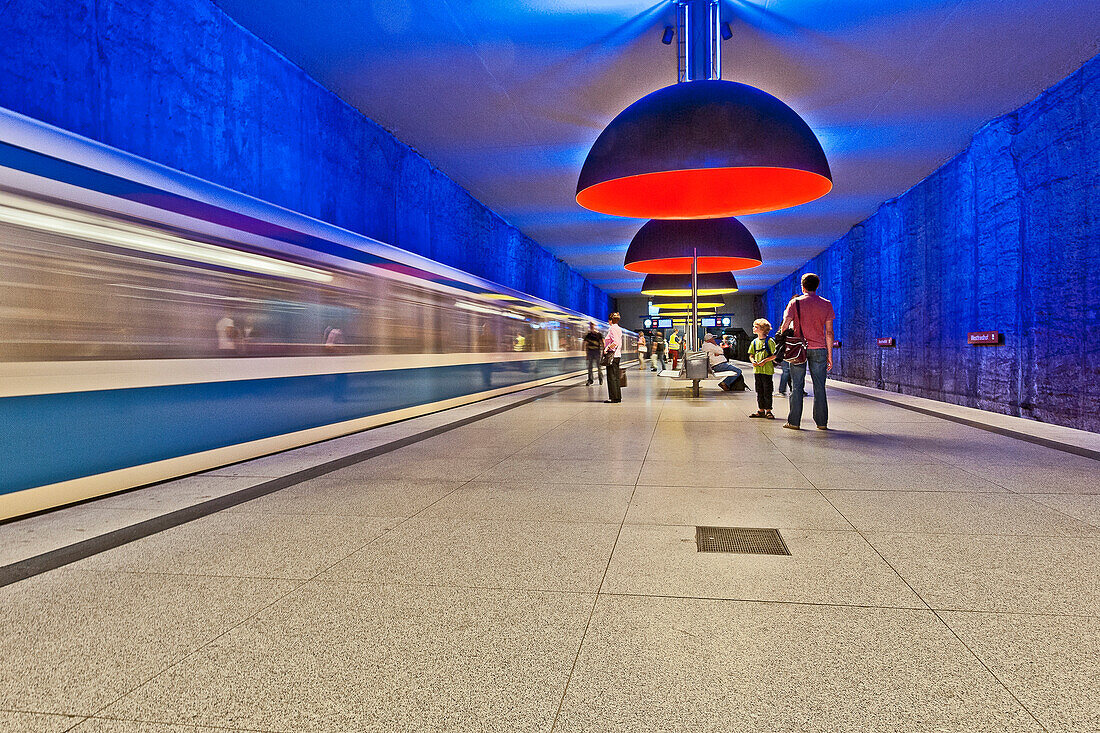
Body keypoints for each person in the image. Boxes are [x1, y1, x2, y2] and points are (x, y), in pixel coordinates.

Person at [778, 272, 835, 430]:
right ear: (817, 286)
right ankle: (822, 423)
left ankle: (794, 422)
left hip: (798, 349)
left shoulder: (794, 303)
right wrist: (830, 355)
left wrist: (786, 335)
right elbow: (829, 332)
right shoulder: (826, 304)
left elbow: (784, 326)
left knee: (797, 386)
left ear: (802, 286)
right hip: (819, 349)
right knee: (819, 387)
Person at [747, 318, 777, 419]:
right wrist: (753, 361)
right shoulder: (754, 342)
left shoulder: (770, 341)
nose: (754, 328)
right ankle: (761, 410)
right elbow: (751, 355)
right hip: (757, 370)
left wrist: (764, 361)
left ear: (763, 329)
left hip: (767, 370)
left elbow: (775, 355)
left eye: (756, 327)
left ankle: (768, 410)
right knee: (759, 390)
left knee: (767, 390)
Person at [603, 313, 623, 403]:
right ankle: (617, 397)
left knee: (611, 377)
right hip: (617, 355)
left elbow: (615, 342)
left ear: (610, 320)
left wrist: (606, 349)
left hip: (612, 355)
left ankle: (613, 398)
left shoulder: (612, 328)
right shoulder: (618, 328)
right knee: (616, 377)